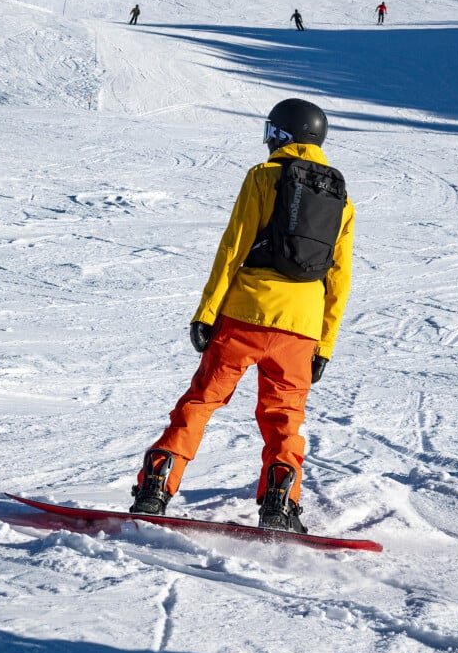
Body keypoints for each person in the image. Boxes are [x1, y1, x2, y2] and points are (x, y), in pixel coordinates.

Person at [130, 99, 355, 532]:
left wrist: (206, 312)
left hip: (246, 314)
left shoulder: (263, 177)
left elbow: (233, 247)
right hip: (302, 328)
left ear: (283, 136)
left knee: (200, 402)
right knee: (284, 418)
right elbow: (339, 280)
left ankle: (155, 488)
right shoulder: (341, 198)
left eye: (272, 131)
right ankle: (280, 504)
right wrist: (324, 344)